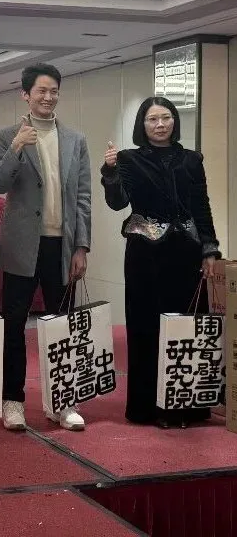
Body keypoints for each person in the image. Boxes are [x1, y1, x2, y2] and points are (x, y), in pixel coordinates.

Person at [101, 97, 219, 429]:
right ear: (143, 124)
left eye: (166, 118)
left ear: (174, 121)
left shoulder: (192, 159)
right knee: (147, 328)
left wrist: (210, 249)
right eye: (152, 119)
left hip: (186, 253)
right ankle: (149, 407)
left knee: (188, 327)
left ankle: (188, 405)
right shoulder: (129, 159)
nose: (160, 124)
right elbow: (117, 202)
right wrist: (110, 172)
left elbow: (201, 205)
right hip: (145, 255)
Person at [0, 63, 91, 432]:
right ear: (26, 95)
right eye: (41, 91)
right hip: (21, 247)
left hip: (61, 247)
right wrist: (17, 146)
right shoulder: (6, 136)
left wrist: (81, 246)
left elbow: (83, 197)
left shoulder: (75, 139)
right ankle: (13, 401)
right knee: (14, 326)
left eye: (53, 91)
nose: (48, 97)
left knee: (61, 326)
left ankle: (63, 403)